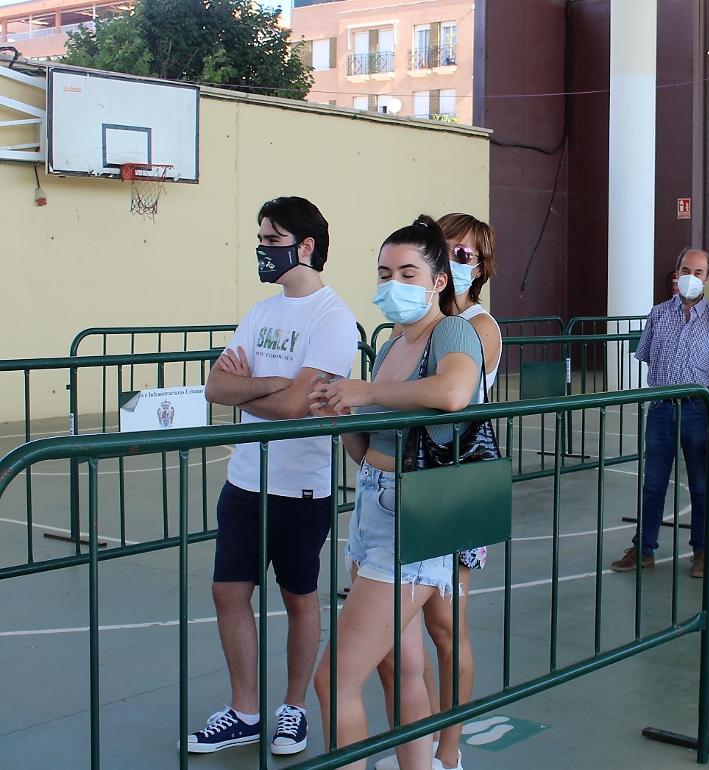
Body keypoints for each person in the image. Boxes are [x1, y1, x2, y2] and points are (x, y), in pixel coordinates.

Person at [309, 216, 485, 770]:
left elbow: (455, 391)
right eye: (385, 272)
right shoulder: (390, 347)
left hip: (415, 511)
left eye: (408, 271)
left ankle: (445, 756)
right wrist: (342, 412)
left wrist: (365, 391)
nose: (393, 283)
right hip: (374, 503)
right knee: (403, 665)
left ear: (438, 281)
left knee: (335, 678)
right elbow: (366, 448)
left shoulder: (451, 331)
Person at [191, 197, 359, 755]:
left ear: (305, 246)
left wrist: (260, 387)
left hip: (301, 488)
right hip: (244, 480)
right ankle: (244, 711)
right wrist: (276, 385)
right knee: (227, 591)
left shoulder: (333, 318)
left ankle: (293, 710)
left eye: (272, 238)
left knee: (299, 597)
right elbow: (217, 389)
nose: (262, 248)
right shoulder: (260, 313)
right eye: (261, 238)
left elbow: (297, 409)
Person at [372, 214, 500, 770]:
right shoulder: (413, 330)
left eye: (464, 254)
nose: (453, 259)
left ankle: (449, 750)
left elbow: (453, 391)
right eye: (445, 250)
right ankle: (418, 743)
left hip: (453, 481)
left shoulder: (472, 326)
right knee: (401, 638)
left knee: (447, 628)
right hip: (411, 482)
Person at [610, 248, 709, 578]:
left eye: (699, 271)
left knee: (703, 484)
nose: (692, 276)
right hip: (661, 409)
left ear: (708, 278)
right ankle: (644, 549)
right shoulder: (658, 313)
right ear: (677, 273)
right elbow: (647, 354)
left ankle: (702, 551)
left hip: (698, 410)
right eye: (686, 269)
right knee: (653, 483)